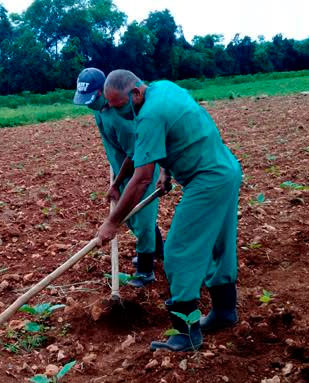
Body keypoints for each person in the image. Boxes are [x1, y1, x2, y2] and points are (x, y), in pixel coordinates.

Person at [96, 69, 242, 352]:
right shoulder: (163, 88)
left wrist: (112, 222)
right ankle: (225, 312)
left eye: (120, 106)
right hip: (226, 171)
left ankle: (186, 333)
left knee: (179, 251)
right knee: (219, 246)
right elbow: (172, 135)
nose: (119, 114)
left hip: (207, 180)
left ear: (135, 93)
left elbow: (139, 179)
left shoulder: (149, 115)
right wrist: (166, 171)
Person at [73, 68, 163, 287]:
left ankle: (145, 271)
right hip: (122, 169)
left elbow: (134, 155)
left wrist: (116, 182)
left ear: (103, 92)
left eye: (92, 98)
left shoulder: (120, 118)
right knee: (135, 219)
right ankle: (159, 253)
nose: (89, 104)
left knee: (142, 220)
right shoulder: (99, 110)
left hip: (140, 171)